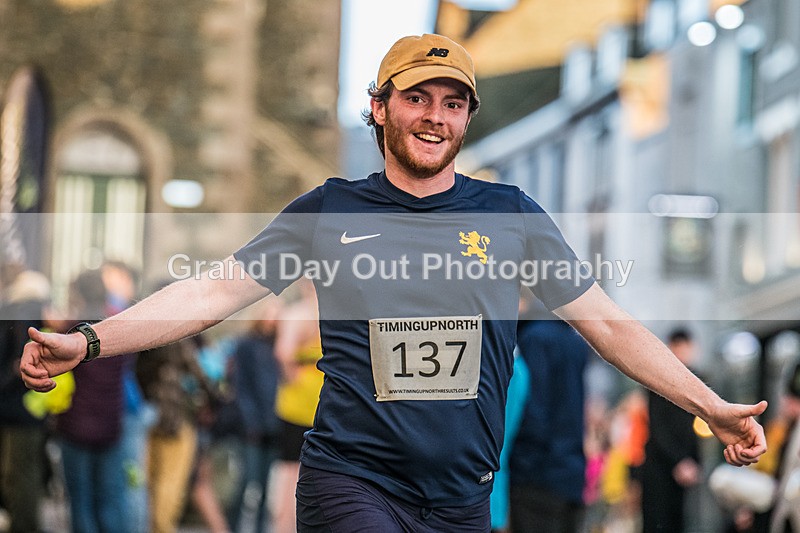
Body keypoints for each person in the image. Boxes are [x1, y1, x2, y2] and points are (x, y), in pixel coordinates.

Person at [21, 33, 768, 532]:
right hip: (354, 479)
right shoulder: (329, 209)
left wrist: (710, 403)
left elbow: (608, 324)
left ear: (466, 120)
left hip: (462, 496)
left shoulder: (512, 216)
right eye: (417, 98)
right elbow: (212, 291)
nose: (434, 117)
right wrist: (90, 339)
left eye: (452, 103)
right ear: (380, 108)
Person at [53, 269, 134, 533]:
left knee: (81, 502)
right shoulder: (116, 327)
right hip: (111, 423)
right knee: (110, 501)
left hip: (76, 424)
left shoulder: (72, 330)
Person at [507, 296, 592, 533]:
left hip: (537, 475)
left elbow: (533, 411)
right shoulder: (574, 341)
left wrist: (521, 465)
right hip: (571, 473)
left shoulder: (534, 339)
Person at [0, 266, 51, 533]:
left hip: (18, 409)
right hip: (28, 408)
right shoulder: (33, 311)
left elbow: (18, 363)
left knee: (19, 476)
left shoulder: (21, 312)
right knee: (21, 474)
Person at [271, 279, 323, 533]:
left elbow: (283, 353)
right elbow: (283, 353)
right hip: (311, 403)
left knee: (292, 473)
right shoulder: (315, 313)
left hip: (302, 403)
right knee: (297, 473)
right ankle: (286, 527)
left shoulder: (299, 312)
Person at [226, 299, 283, 533]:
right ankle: (232, 526)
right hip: (251, 427)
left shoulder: (279, 346)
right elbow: (240, 388)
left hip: (276, 425)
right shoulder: (246, 345)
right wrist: (251, 422)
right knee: (246, 482)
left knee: (266, 487)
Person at [640, 328, 703, 532]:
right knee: (659, 522)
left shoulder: (697, 381)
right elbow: (658, 429)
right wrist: (680, 461)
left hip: (685, 467)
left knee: (679, 523)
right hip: (660, 467)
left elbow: (698, 429)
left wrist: (695, 462)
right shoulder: (657, 382)